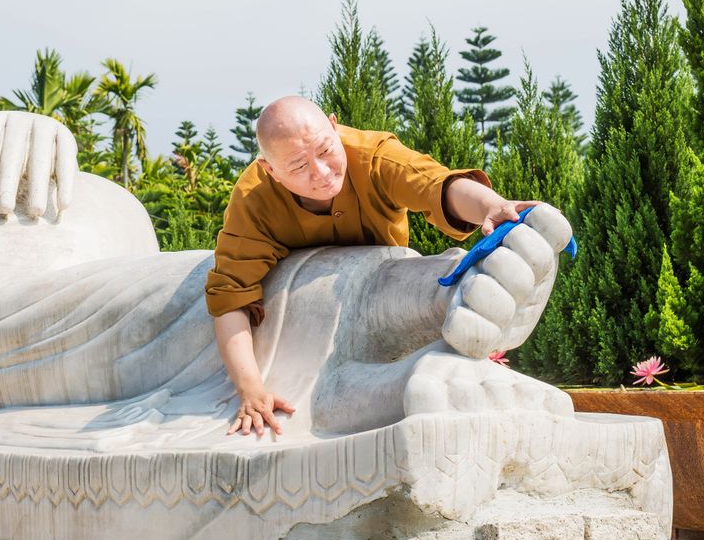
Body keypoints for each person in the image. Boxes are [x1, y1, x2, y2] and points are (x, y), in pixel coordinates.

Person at [206, 96, 539, 438]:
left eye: (324, 150)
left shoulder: (373, 155)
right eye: (298, 167)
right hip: (299, 308)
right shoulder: (252, 199)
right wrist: (250, 389)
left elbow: (434, 185)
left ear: (334, 126)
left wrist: (493, 205)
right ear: (270, 170)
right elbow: (229, 295)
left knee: (427, 289)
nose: (320, 173)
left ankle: (476, 320)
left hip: (385, 284)